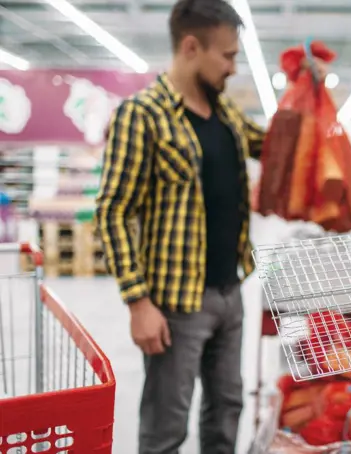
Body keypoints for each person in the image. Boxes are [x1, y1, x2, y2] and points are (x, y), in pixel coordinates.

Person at [95, 0, 265, 452]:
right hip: (175, 305)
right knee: (166, 425)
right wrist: (137, 303)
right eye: (227, 55)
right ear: (192, 46)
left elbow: (272, 147)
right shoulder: (142, 115)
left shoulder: (225, 113)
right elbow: (112, 210)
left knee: (227, 409)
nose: (233, 66)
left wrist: (311, 100)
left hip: (230, 293)